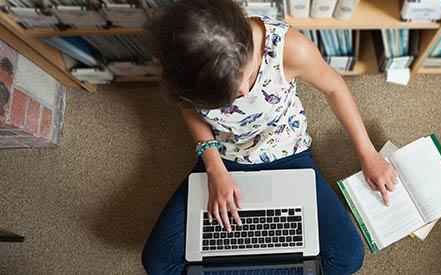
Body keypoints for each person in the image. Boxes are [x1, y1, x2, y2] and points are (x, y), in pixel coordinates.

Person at [141, 0, 398, 273]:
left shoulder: (289, 47)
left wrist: (367, 153)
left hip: (288, 153)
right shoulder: (185, 69)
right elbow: (189, 109)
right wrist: (215, 168)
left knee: (348, 257)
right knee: (157, 263)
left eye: (244, 77)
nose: (241, 92)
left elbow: (335, 88)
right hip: (222, 156)